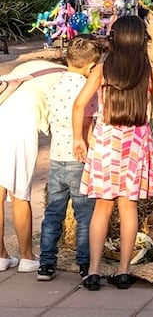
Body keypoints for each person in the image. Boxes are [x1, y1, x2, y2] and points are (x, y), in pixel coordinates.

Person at [72, 16, 153, 291]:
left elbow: (79, 105)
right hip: (136, 143)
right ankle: (123, 271)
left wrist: (79, 139)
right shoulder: (150, 72)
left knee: (102, 208)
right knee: (128, 207)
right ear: (142, 40)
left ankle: (93, 271)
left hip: (106, 142)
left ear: (114, 39)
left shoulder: (103, 70)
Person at [37, 35, 104, 282]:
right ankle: (86, 264)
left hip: (56, 158)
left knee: (53, 212)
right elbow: (88, 121)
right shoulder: (87, 90)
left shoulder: (56, 84)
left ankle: (46, 264)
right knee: (85, 214)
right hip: (80, 159)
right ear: (90, 67)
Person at [0, 58, 70, 273]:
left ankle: (1, 255)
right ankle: (27, 257)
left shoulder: (33, 66)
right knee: (20, 193)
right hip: (20, 126)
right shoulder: (69, 78)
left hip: (3, 116)